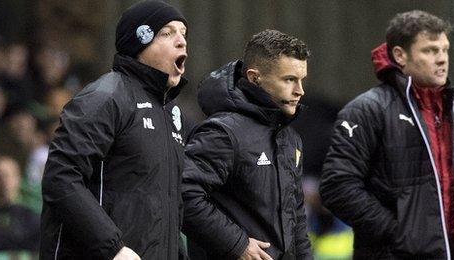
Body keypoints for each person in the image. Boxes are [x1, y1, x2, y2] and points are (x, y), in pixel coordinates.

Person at [319, 10, 454, 259]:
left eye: (445, 50)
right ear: (400, 55)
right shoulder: (367, 109)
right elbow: (337, 187)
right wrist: (401, 234)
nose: (442, 59)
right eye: (430, 51)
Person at [40, 1, 189, 259]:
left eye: (183, 34)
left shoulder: (171, 113)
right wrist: (114, 248)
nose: (181, 41)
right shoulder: (105, 97)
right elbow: (61, 178)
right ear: (138, 41)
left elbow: (166, 203)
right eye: (167, 33)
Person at [182, 29, 312, 260]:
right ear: (254, 78)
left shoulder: (290, 138)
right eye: (289, 79)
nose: (299, 91)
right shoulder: (222, 132)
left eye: (301, 80)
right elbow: (184, 194)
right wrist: (237, 244)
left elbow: (297, 216)